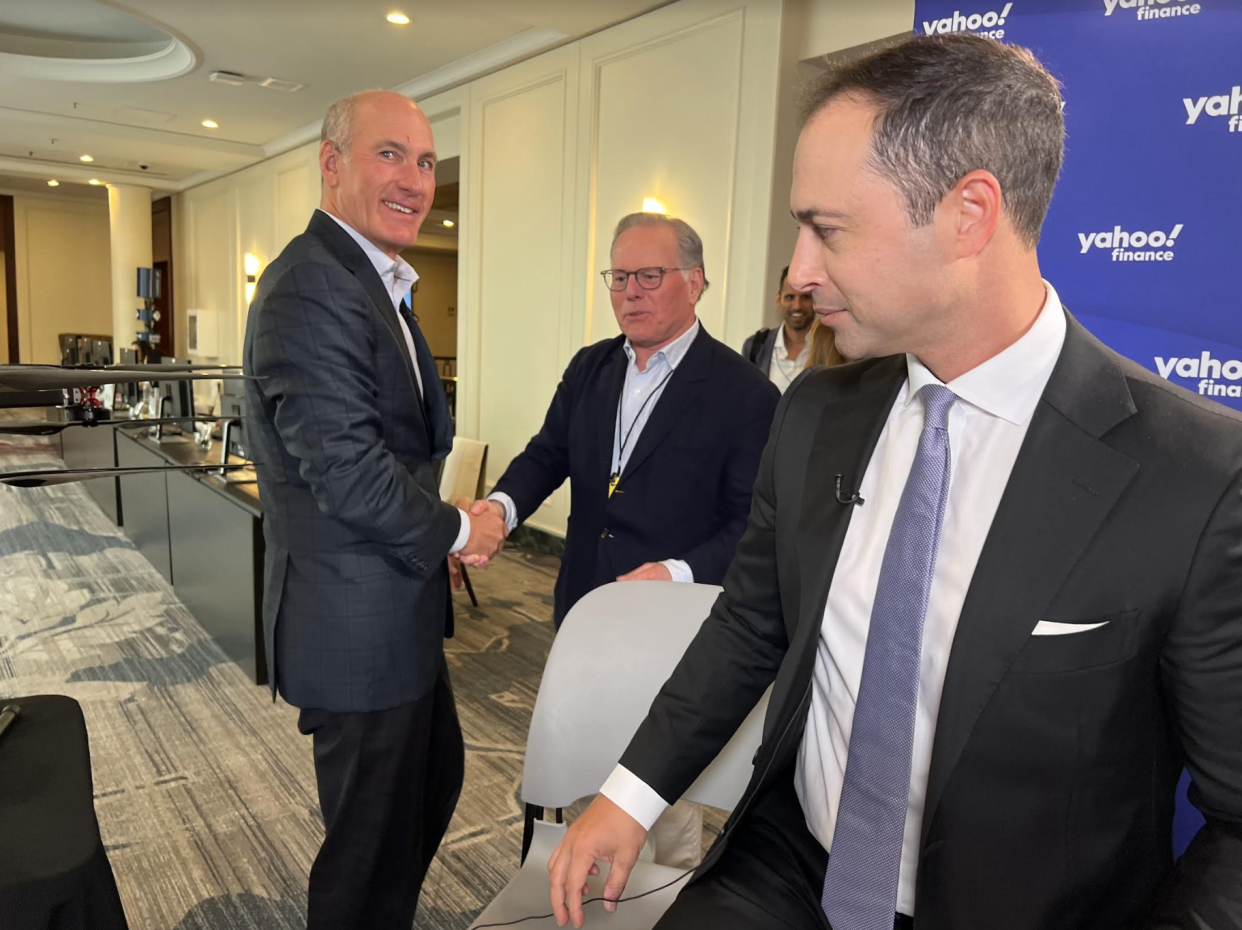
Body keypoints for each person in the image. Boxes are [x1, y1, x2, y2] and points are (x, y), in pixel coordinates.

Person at [548, 35, 1242, 930]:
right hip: (789, 874)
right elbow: (750, 627)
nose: (797, 273)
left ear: (970, 213)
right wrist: (630, 795)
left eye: (828, 229)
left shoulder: (1196, 475)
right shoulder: (813, 417)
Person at [242, 90, 507, 930]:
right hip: (351, 623)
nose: (416, 180)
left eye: (427, 162)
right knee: (365, 856)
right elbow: (350, 476)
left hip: (396, 611)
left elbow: (397, 446)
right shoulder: (310, 286)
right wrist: (462, 528)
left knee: (426, 794)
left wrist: (441, 521)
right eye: (391, 154)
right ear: (333, 165)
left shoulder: (376, 283)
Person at [465, 212, 778, 867]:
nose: (629, 291)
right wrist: (499, 508)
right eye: (618, 276)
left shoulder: (743, 393)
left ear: (695, 283)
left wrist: (674, 572)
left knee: (663, 797)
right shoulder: (591, 368)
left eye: (649, 275)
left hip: (673, 629)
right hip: (584, 606)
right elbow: (547, 455)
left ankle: (664, 903)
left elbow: (751, 525)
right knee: (584, 768)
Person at [743, 265, 814, 393]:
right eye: (790, 297)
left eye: (805, 297)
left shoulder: (833, 348)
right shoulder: (756, 347)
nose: (797, 306)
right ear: (778, 300)